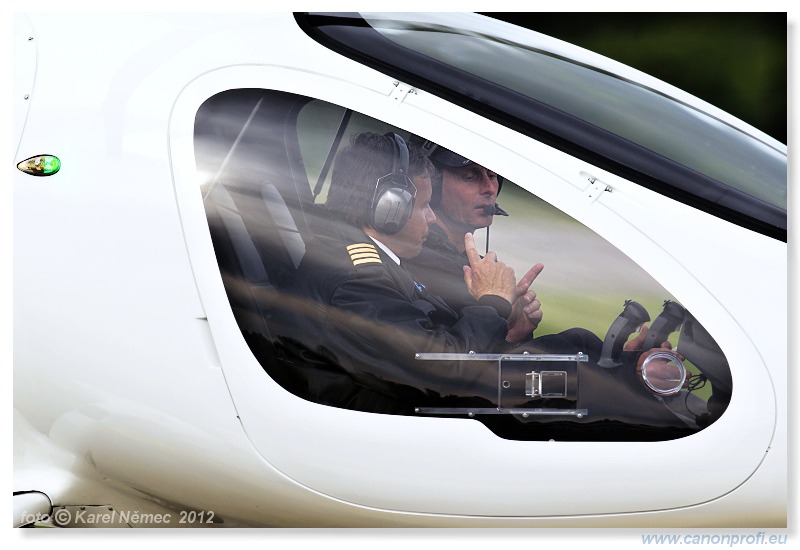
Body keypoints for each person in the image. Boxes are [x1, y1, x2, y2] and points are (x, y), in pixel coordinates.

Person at [274, 132, 692, 436]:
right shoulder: (354, 279)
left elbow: (430, 338)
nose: (432, 217)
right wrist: (491, 302)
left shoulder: (377, 263)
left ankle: (620, 362)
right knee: (595, 389)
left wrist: (507, 329)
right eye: (422, 206)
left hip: (427, 402)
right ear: (387, 209)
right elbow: (440, 371)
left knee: (582, 348)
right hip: (410, 424)